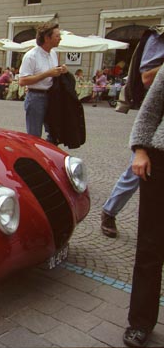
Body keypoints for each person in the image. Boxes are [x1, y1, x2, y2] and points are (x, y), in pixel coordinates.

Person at [100, 26, 164, 238]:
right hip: (157, 121)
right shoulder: (159, 36)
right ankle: (110, 211)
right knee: (137, 170)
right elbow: (147, 78)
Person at [123, 65, 164, 348]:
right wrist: (140, 149)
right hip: (161, 160)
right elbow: (150, 110)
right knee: (150, 245)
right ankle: (140, 322)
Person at [19, 22, 67, 142]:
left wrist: (61, 71)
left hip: (51, 96)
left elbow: (52, 74)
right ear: (47, 38)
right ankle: (35, 158)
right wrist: (48, 73)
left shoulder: (53, 54)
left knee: (55, 133)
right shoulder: (31, 56)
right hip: (36, 97)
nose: (60, 38)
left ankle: (47, 157)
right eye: (57, 36)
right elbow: (22, 81)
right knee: (34, 136)